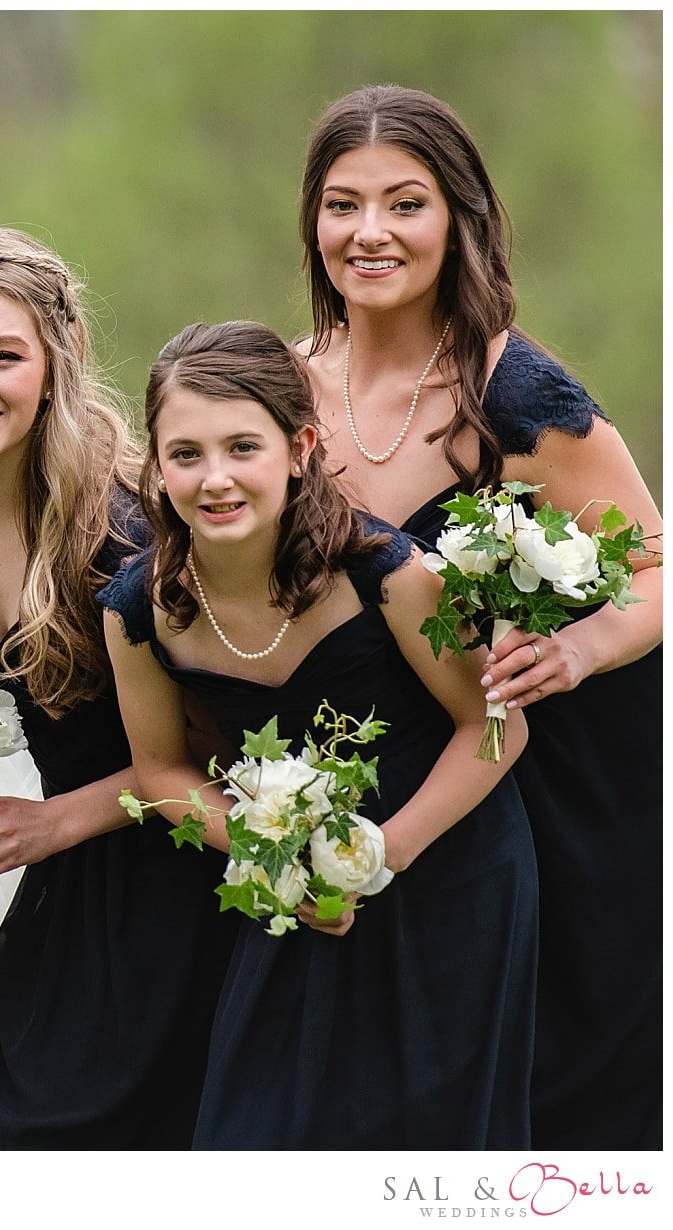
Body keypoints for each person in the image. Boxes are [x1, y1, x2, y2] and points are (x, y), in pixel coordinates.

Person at [295, 84, 662, 1147]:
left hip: (542, 794)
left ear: (460, 219)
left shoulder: (519, 396)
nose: (369, 232)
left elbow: (654, 567)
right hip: (368, 779)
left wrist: (578, 648)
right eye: (342, 204)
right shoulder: (280, 386)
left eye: (404, 204)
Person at [101, 320, 536, 1147]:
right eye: (186, 454)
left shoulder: (387, 572)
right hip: (288, 890)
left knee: (430, 1148)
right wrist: (275, 863)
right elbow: (160, 772)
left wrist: (379, 855)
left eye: (243, 447)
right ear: (155, 466)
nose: (215, 478)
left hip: (448, 872)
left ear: (299, 448)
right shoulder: (140, 610)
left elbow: (494, 726)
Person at [0, 227, 230, 1148]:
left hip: (183, 888)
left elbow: (219, 752)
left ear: (55, 366)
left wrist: (50, 823)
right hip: (68, 900)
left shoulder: (123, 536)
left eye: (3, 356)